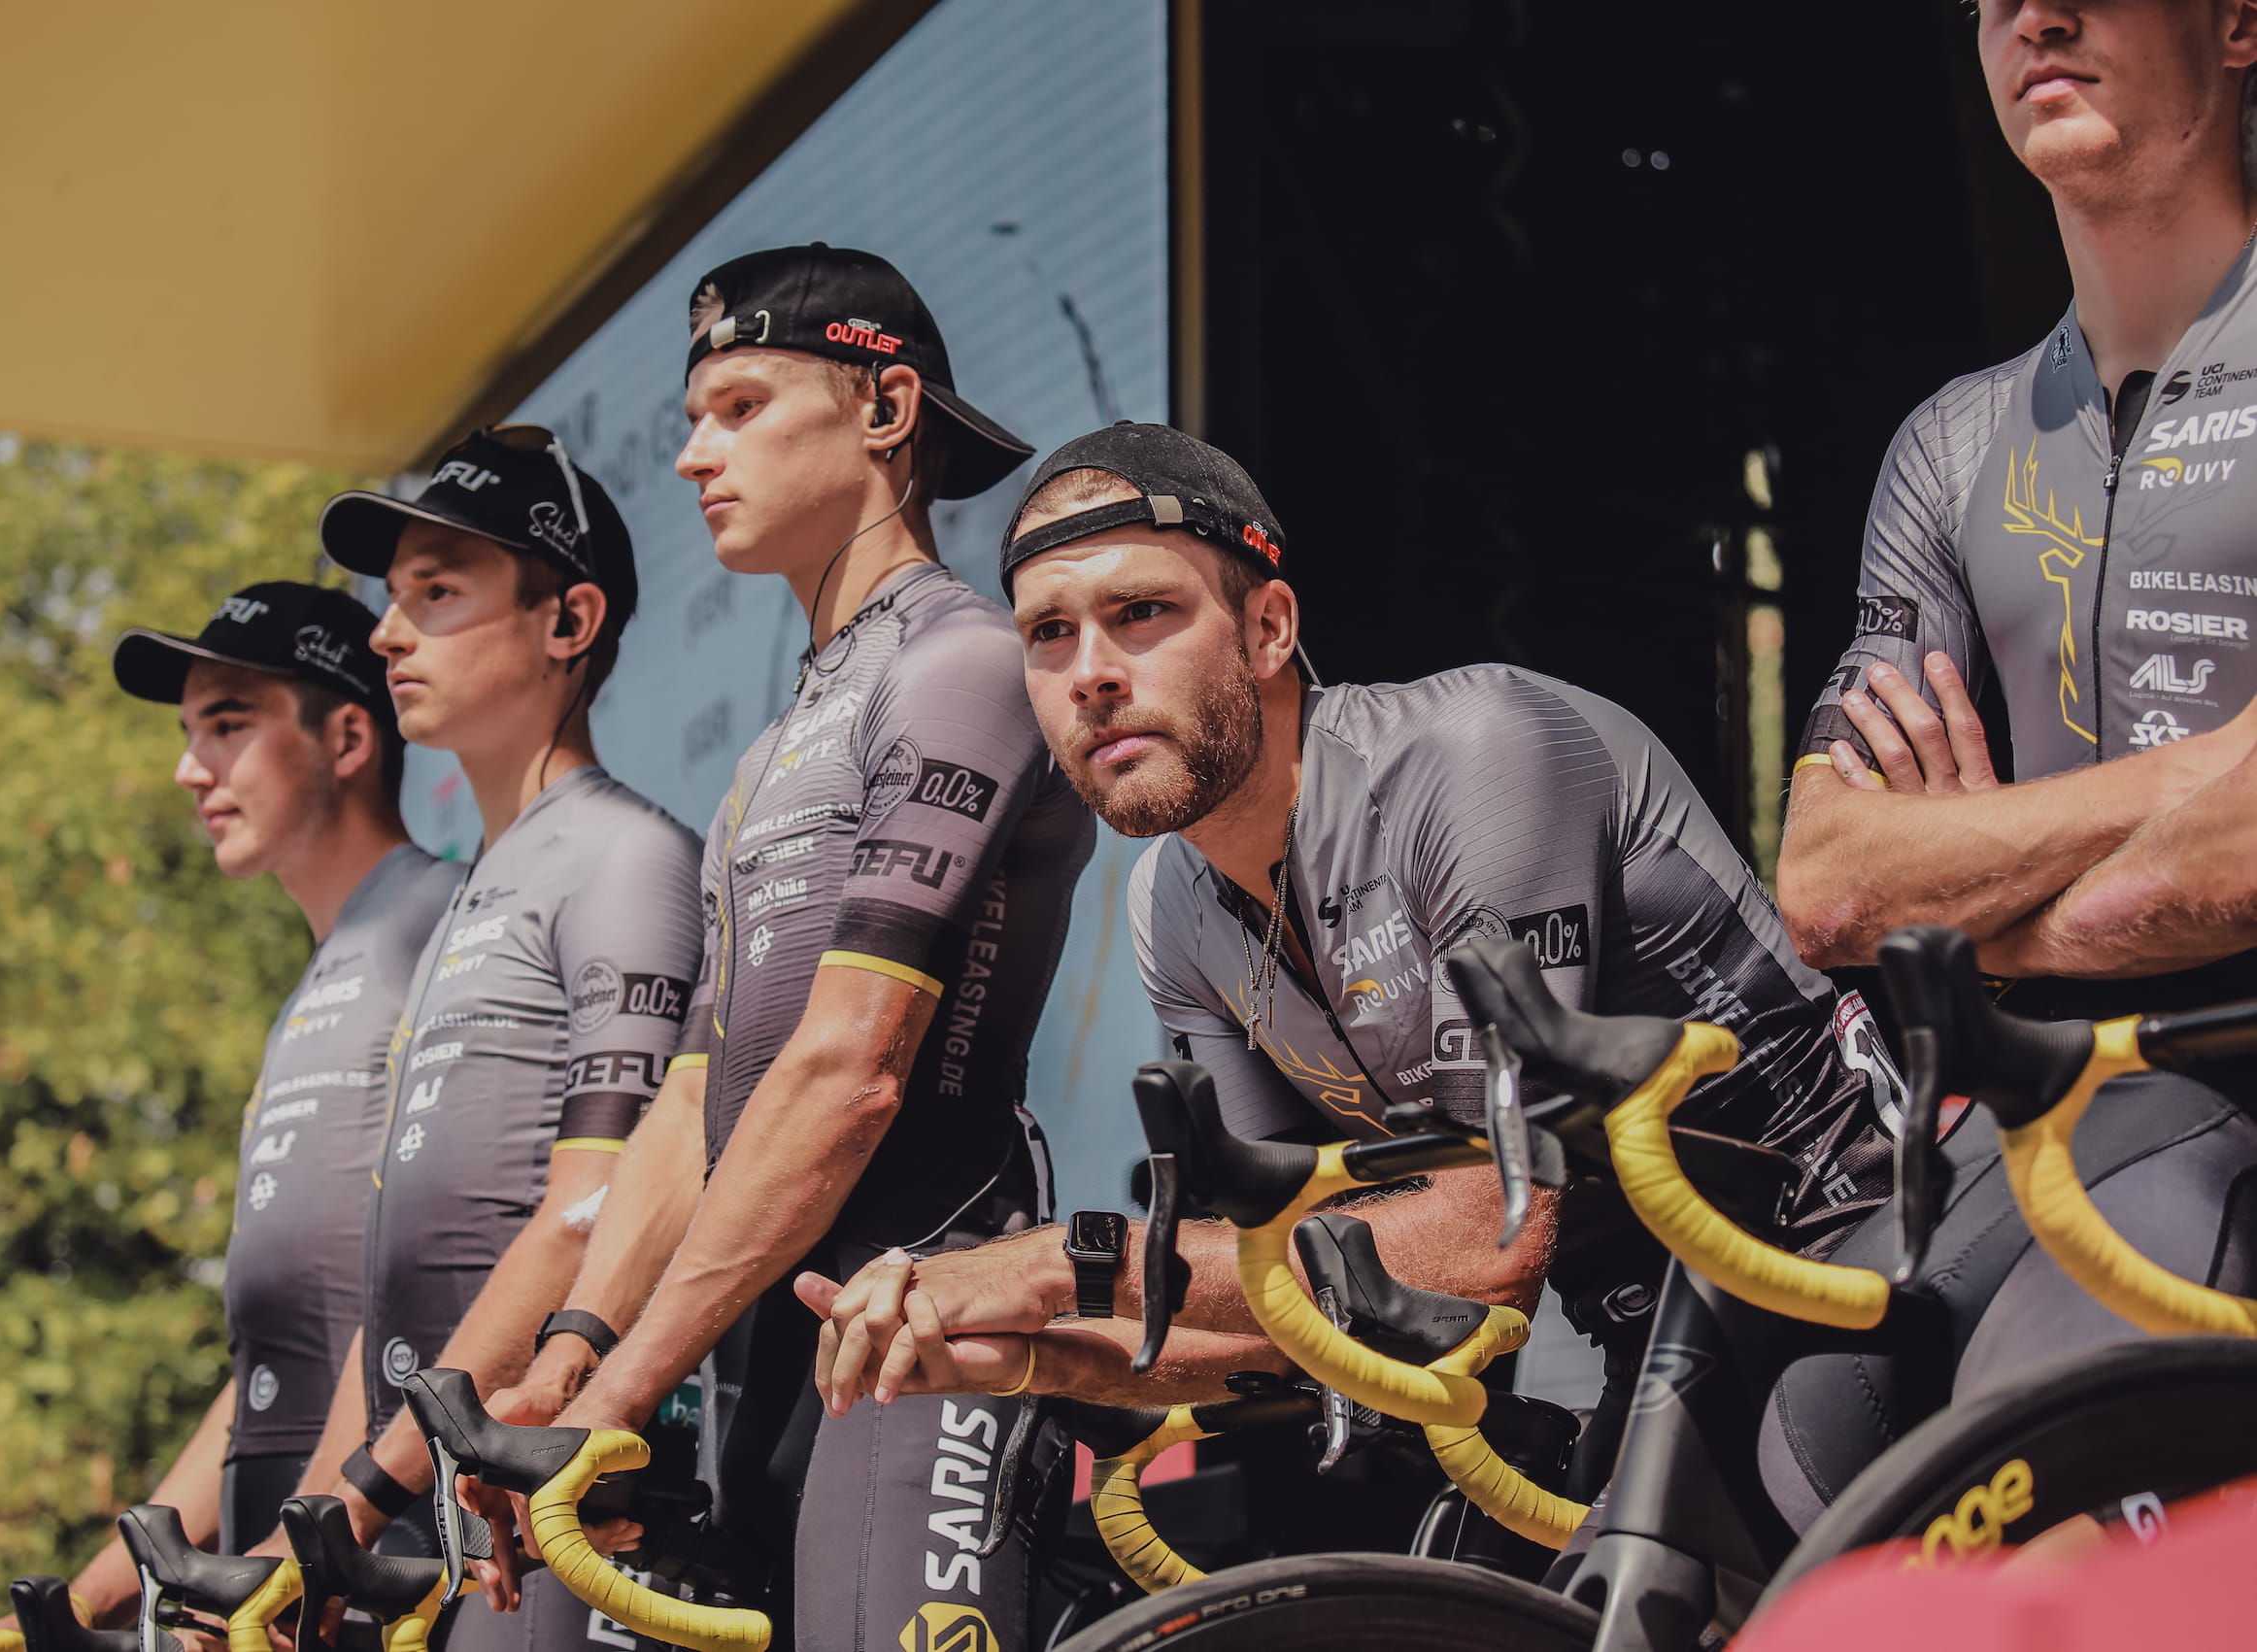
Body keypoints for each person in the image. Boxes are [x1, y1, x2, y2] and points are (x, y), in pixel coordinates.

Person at [804, 421, 1904, 1507]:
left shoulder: (1474, 755)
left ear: (1269, 627)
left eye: (1140, 613)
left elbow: (1491, 1238)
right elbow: (1300, 1297)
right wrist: (1042, 1353)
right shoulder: (1174, 905)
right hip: (1662, 1338)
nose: (1089, 674)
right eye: (1047, 634)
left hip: (1861, 1255)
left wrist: (1062, 1262)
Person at [468, 245, 1095, 1652]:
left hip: (918, 1311)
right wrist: (570, 1357)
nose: (692, 456)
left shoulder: (957, 661)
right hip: (758, 1347)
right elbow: (692, 1103)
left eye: (739, 407)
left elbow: (849, 1073)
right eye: (694, 416)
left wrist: (623, 1385)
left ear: (884, 411)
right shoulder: (771, 745)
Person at [1765, 0, 2257, 1531]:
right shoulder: (1954, 443)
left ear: (2234, 22)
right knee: (1713, 1500)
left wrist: (1969, 890)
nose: (2030, 18)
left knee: (2033, 1472)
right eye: (1987, 0)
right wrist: (2199, 780)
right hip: (2016, 1115)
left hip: (2213, 1115)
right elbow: (1831, 889)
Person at [292, 425, 702, 1652]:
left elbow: (595, 1212)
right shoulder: (487, 880)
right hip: (428, 1490)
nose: (385, 635)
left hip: (525, 1495)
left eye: (437, 594)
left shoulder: (625, 856)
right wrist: (327, 1512)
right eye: (389, 599)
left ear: (567, 621)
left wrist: (368, 1493)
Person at [26, 582, 458, 1628]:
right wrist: (89, 1599)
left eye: (227, 725)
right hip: (286, 1567)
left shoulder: (440, 927)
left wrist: (309, 1536)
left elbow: (431, 1289)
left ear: (349, 736)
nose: (189, 769)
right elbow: (273, 1362)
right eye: (186, 734)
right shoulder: (317, 978)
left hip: (372, 1560)